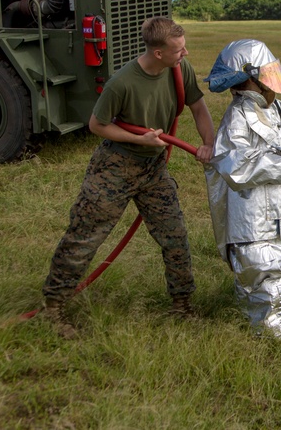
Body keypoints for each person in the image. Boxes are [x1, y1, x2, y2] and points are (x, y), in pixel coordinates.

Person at [42, 17, 215, 338]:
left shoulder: (179, 70)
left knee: (175, 236)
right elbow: (97, 125)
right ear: (158, 53)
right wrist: (140, 139)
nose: (186, 53)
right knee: (85, 235)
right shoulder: (121, 83)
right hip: (115, 167)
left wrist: (207, 143)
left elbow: (198, 108)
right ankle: (54, 308)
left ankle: (182, 306)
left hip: (154, 170)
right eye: (179, 49)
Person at [204, 39, 281, 339]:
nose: (273, 81)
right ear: (249, 77)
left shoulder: (280, 109)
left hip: (279, 211)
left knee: (265, 267)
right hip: (251, 213)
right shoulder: (238, 115)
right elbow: (233, 163)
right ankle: (276, 335)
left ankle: (252, 319)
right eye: (266, 73)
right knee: (265, 267)